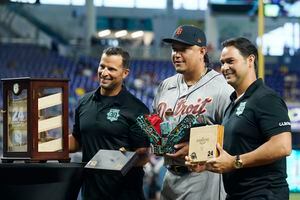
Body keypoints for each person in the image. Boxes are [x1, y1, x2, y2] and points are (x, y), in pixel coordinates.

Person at [188, 37, 292, 200]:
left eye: (230, 61)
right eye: (222, 62)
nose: (224, 68)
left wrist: (235, 161)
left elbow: (282, 146)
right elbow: (234, 152)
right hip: (236, 195)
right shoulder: (232, 103)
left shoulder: (266, 98)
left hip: (263, 194)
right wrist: (206, 164)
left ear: (250, 60)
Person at [153, 25, 233, 200]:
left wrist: (197, 147)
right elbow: (156, 124)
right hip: (169, 178)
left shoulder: (222, 88)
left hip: (204, 178)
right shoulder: (166, 85)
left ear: (202, 51)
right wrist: (156, 140)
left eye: (184, 49)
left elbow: (235, 135)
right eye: (174, 49)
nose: (176, 54)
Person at [69, 47, 150, 200]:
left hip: (124, 195)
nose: (104, 73)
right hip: (91, 194)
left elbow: (144, 156)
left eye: (111, 69)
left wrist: (117, 160)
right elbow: (77, 140)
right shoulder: (84, 102)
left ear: (125, 73)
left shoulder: (137, 109)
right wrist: (47, 145)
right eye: (102, 66)